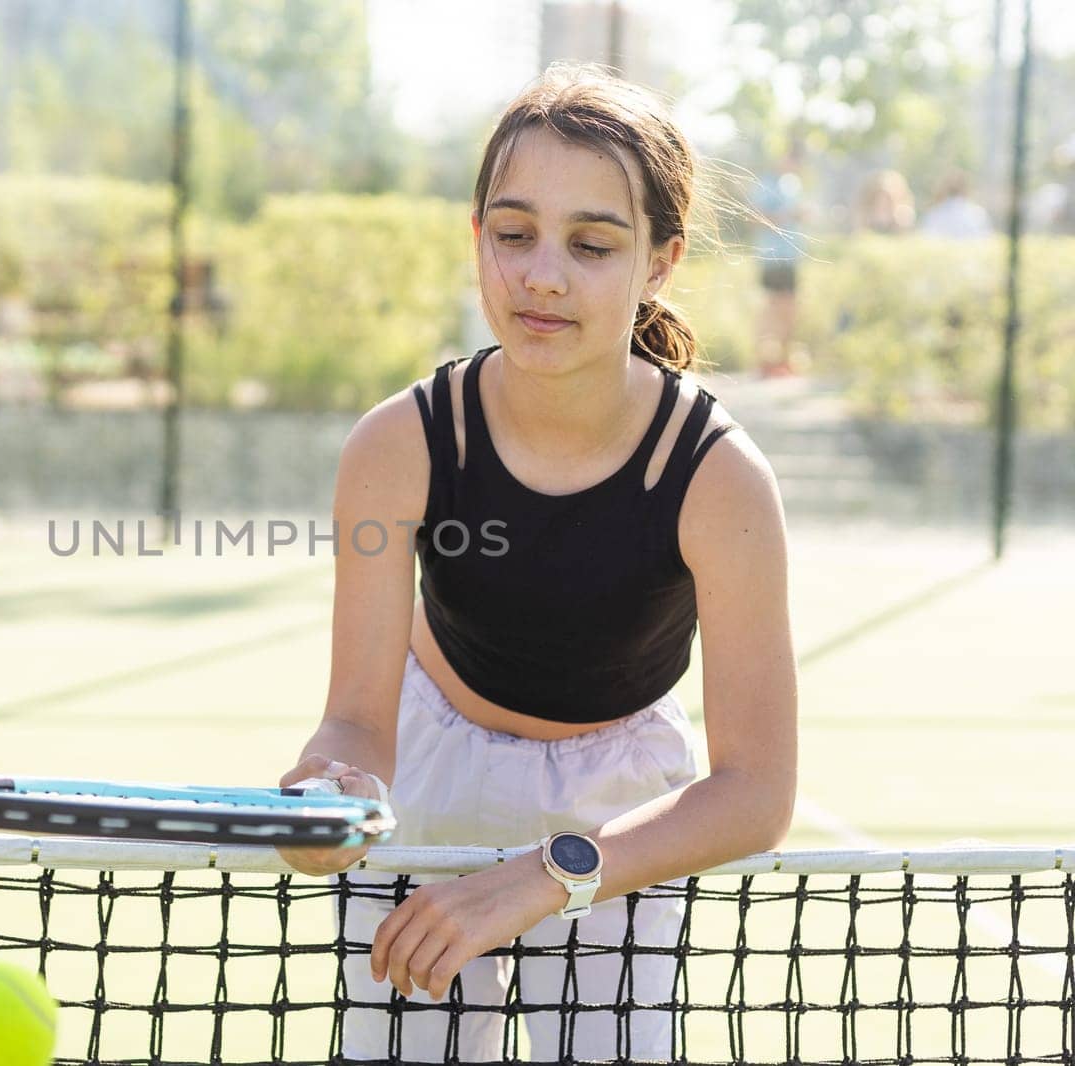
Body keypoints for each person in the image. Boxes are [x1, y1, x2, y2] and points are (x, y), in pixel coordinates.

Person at [277, 63, 797, 1063]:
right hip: (430, 772)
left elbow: (755, 789)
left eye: (592, 244)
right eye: (513, 234)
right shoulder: (396, 446)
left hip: (629, 804)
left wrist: (545, 874)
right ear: (478, 238)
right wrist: (326, 798)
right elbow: (354, 721)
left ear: (659, 262)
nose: (541, 275)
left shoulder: (720, 480)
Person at [752, 149, 808, 376]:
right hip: (772, 256)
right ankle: (765, 360)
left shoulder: (793, 184)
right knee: (772, 307)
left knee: (790, 308)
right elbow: (755, 218)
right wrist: (786, 216)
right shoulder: (766, 183)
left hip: (791, 255)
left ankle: (784, 360)